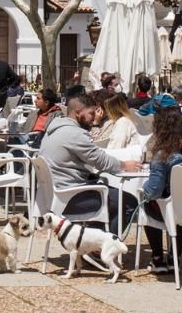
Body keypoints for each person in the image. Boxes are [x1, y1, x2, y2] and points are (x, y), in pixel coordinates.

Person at [38, 92, 142, 234]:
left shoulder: (53, 130)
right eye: (91, 113)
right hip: (70, 197)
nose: (94, 119)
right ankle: (98, 248)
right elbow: (101, 161)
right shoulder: (74, 134)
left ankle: (88, 241)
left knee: (110, 193)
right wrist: (125, 165)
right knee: (129, 202)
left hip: (52, 196)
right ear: (78, 112)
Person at [139, 104, 182, 273]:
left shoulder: (162, 154)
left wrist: (143, 189)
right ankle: (174, 256)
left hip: (172, 209)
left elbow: (154, 191)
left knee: (147, 201)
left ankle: (157, 258)